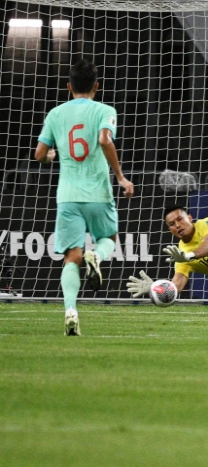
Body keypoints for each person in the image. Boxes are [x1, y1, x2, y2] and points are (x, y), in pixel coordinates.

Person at [34, 58, 135, 336]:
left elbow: (40, 155)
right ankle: (97, 258)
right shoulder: (104, 109)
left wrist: (52, 156)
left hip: (68, 196)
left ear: (68, 86)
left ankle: (70, 311)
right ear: (96, 86)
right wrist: (121, 177)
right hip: (98, 193)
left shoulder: (56, 113)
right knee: (109, 239)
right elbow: (105, 140)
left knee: (71, 257)